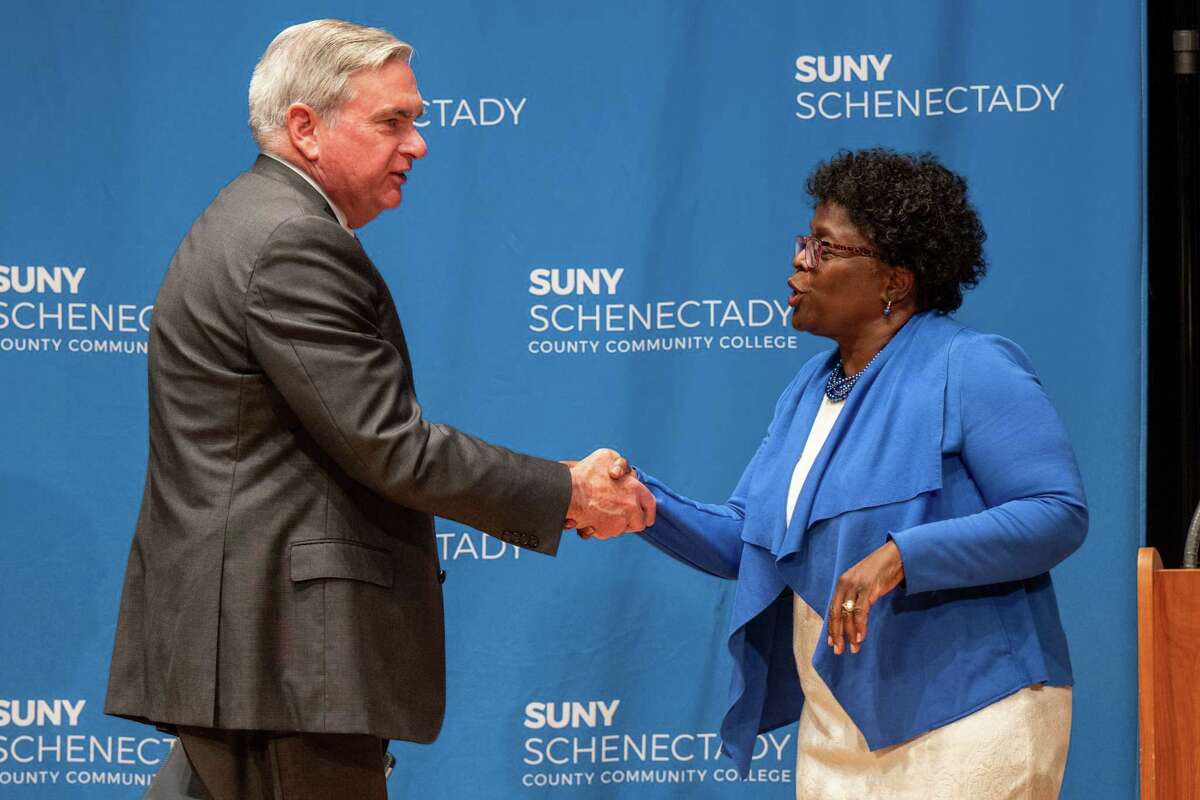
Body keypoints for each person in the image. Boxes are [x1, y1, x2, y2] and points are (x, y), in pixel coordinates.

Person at [104, 19, 653, 800]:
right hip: (285, 660)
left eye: (417, 119)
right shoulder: (292, 239)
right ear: (306, 128)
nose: (418, 143)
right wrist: (566, 491)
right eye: (393, 120)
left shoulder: (252, 218)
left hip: (253, 655)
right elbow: (391, 446)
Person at [591, 148, 1087, 798]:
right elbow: (750, 541)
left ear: (894, 281)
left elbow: (1056, 512)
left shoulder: (971, 367)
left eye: (826, 248)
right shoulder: (809, 389)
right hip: (838, 725)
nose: (801, 261)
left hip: (968, 715)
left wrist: (902, 556)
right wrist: (640, 501)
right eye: (806, 242)